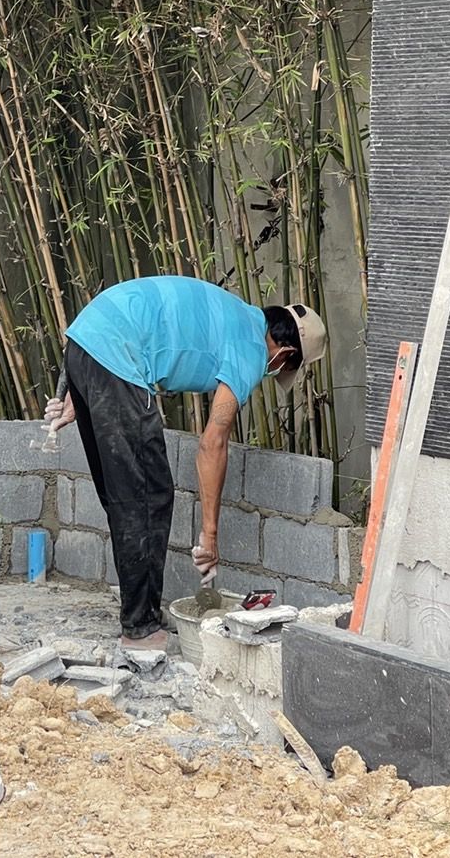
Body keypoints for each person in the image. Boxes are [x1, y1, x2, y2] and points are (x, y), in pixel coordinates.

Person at [44, 275, 326, 649]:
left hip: (88, 338)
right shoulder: (251, 349)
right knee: (148, 494)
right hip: (115, 350)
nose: (274, 371)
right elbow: (213, 444)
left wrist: (86, 394)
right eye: (282, 367)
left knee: (125, 494)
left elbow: (144, 329)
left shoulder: (236, 314)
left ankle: (139, 610)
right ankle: (141, 628)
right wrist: (209, 536)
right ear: (285, 354)